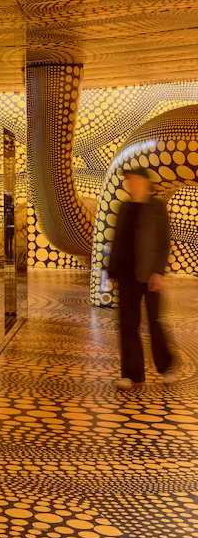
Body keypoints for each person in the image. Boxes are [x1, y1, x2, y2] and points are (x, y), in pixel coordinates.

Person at [105, 166, 177, 390]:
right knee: (128, 324)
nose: (130, 183)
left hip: (150, 275)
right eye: (128, 180)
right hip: (127, 276)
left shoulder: (157, 208)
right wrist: (112, 273)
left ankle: (167, 367)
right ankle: (131, 375)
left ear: (145, 182)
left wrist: (159, 272)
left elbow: (163, 243)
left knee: (154, 322)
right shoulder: (124, 207)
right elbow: (117, 242)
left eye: (134, 179)